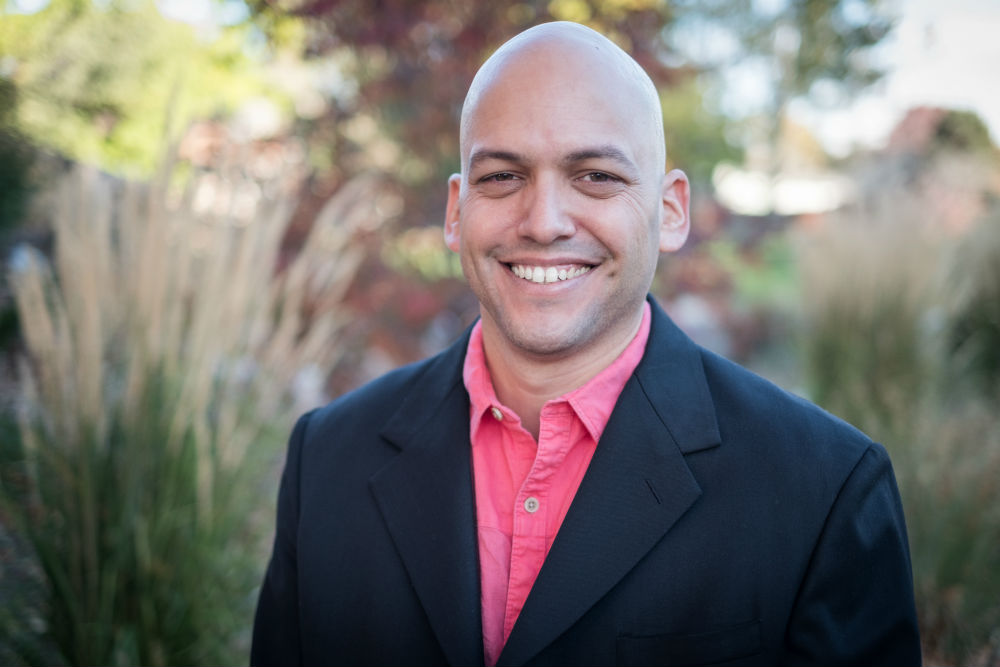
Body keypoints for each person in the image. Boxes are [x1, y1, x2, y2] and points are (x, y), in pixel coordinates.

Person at [251, 21, 921, 666]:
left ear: (670, 211)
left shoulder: (823, 491)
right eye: (502, 176)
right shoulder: (328, 460)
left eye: (596, 175)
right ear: (457, 212)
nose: (544, 222)